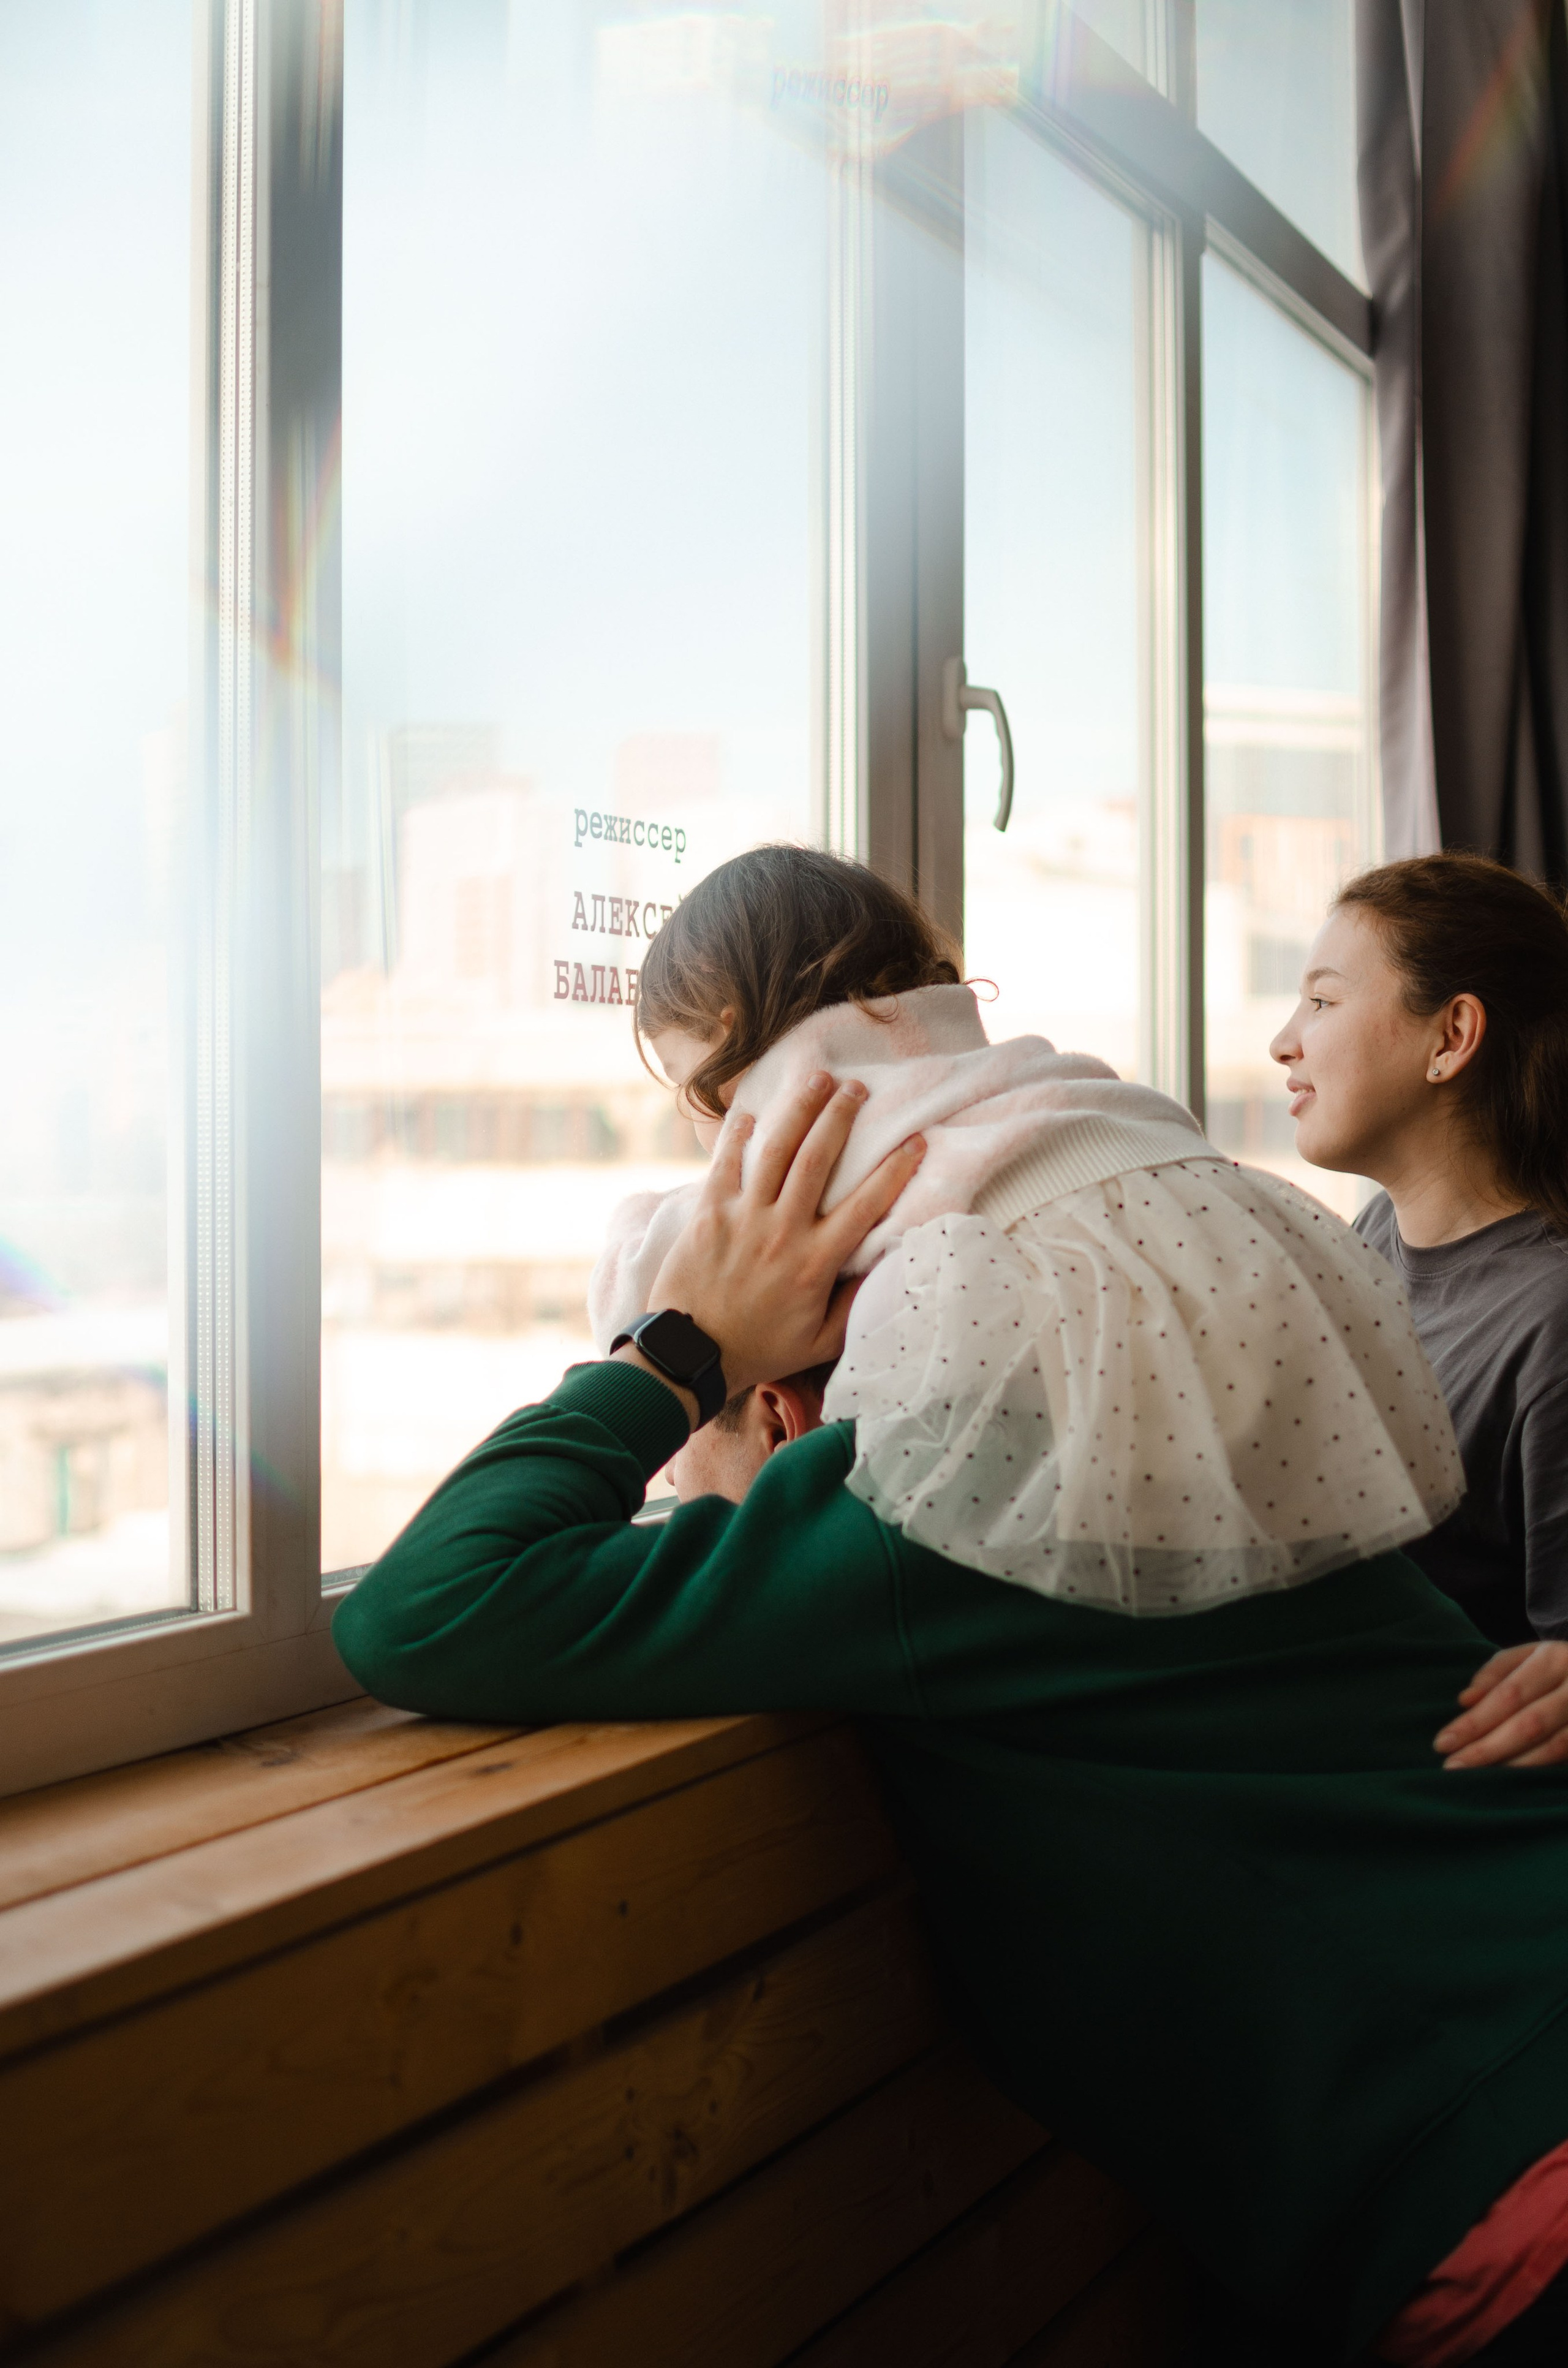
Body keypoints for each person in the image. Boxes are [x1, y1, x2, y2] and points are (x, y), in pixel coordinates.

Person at [334, 1055, 1568, 2367]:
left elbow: (418, 1608)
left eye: (692, 1461)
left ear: (773, 1400)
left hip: (1505, 2185)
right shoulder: (1159, 1428)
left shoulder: (909, 1514)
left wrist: (672, 1349)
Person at [1270, 853, 1568, 1765]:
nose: (1285, 1040)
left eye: (1322, 1001)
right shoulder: (1371, 1243)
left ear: (1452, 1037)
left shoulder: (1550, 1317)